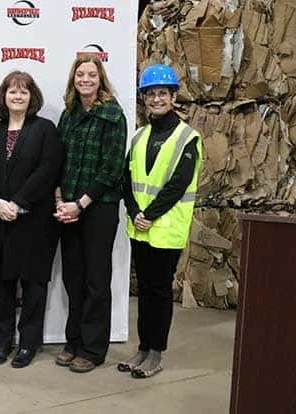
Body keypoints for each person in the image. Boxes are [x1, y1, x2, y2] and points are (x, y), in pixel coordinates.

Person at [118, 64, 202, 378]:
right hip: (140, 229)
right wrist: (133, 210)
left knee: (160, 291)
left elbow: (177, 184)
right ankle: (142, 348)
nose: (156, 99)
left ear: (173, 96)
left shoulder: (187, 138)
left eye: (162, 93)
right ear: (144, 98)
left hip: (165, 230)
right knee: (145, 290)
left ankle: (156, 353)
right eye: (151, 94)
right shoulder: (140, 136)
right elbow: (126, 178)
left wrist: (148, 215)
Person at [0, 71, 61, 368]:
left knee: (33, 285)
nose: (17, 96)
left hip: (34, 223)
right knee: (1, 286)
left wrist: (18, 202)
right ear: (3, 96)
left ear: (32, 97)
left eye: (23, 91)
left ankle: (28, 344)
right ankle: (3, 343)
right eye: (12, 91)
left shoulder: (45, 129)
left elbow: (48, 170)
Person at [54, 54, 127, 373]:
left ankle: (94, 349)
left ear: (101, 79)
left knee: (97, 280)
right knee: (74, 278)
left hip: (99, 208)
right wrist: (60, 199)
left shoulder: (113, 114)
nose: (85, 79)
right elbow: (57, 158)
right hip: (68, 208)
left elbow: (111, 170)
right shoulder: (68, 114)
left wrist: (80, 204)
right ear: (74, 79)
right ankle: (73, 341)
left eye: (91, 75)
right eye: (80, 74)